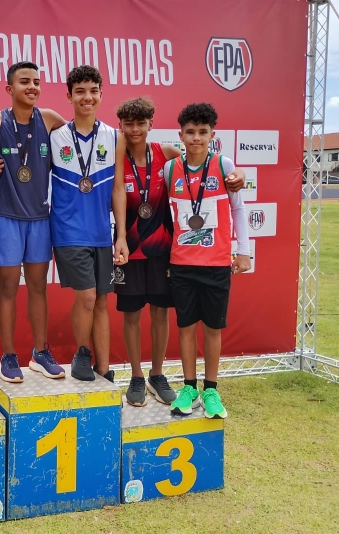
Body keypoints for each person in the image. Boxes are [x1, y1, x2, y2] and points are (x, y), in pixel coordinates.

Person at [115, 98, 246, 407]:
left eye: (141, 123)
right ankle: (136, 376)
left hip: (164, 250)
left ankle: (157, 375)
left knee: (161, 314)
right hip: (129, 249)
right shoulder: (117, 157)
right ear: (120, 126)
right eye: (128, 123)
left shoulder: (167, 155)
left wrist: (237, 175)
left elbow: (200, 164)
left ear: (151, 124)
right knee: (131, 314)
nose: (135, 129)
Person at [0, 61, 68, 383]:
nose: (32, 87)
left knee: (39, 288)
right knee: (9, 289)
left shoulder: (52, 119)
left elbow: (78, 144)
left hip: (41, 218)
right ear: (9, 88)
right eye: (24, 81)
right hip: (6, 217)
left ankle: (40, 352)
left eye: (36, 82)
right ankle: (8, 355)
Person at [164, 103, 250, 419]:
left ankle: (211, 389)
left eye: (202, 132)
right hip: (183, 263)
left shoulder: (224, 165)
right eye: (190, 132)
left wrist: (244, 251)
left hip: (216, 263)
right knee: (186, 327)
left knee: (212, 328)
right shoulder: (170, 169)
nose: (196, 138)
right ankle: (189, 388)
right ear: (181, 135)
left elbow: (239, 209)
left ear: (212, 134)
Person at [49, 65, 128, 382]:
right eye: (80, 91)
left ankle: (105, 370)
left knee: (101, 302)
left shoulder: (114, 137)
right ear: (69, 96)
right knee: (87, 297)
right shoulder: (57, 135)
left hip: (101, 234)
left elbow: (118, 189)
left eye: (93, 90)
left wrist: (120, 235)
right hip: (68, 231)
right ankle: (82, 353)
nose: (87, 97)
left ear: (101, 94)